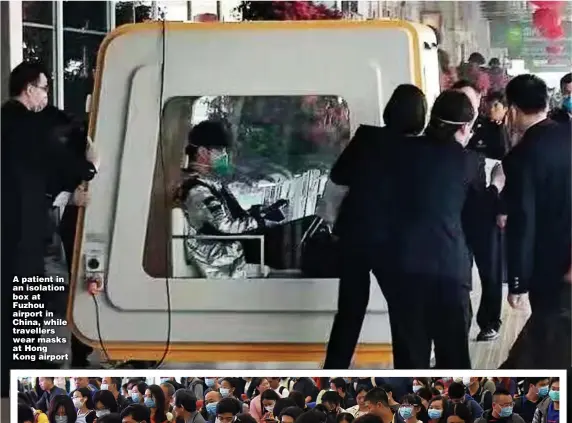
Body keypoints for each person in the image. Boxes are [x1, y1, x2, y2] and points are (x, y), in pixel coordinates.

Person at [323, 84, 428, 369]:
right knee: (404, 310)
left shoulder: (366, 138)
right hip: (393, 243)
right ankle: (409, 373)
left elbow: (338, 180)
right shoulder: (420, 150)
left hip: (354, 235)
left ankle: (335, 370)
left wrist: (334, 223)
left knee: (350, 311)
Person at [500, 75, 571, 368]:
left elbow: (523, 223)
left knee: (551, 338)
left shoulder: (522, 156)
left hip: (550, 265)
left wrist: (517, 282)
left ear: (513, 110)